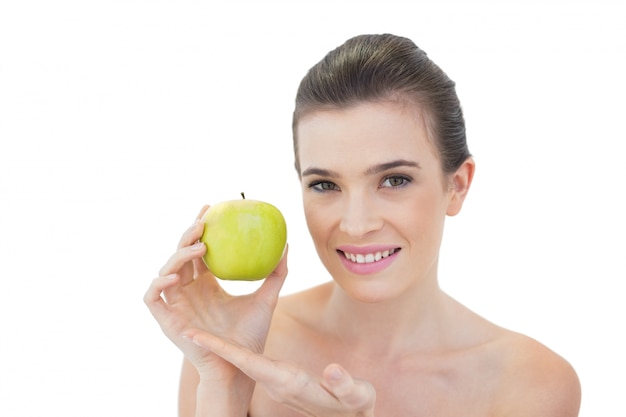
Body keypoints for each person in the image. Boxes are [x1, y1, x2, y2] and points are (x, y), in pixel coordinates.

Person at [144, 33, 581, 416]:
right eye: (325, 184)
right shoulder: (234, 345)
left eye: (394, 180)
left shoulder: (531, 383)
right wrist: (221, 383)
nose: (356, 225)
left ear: (458, 186)